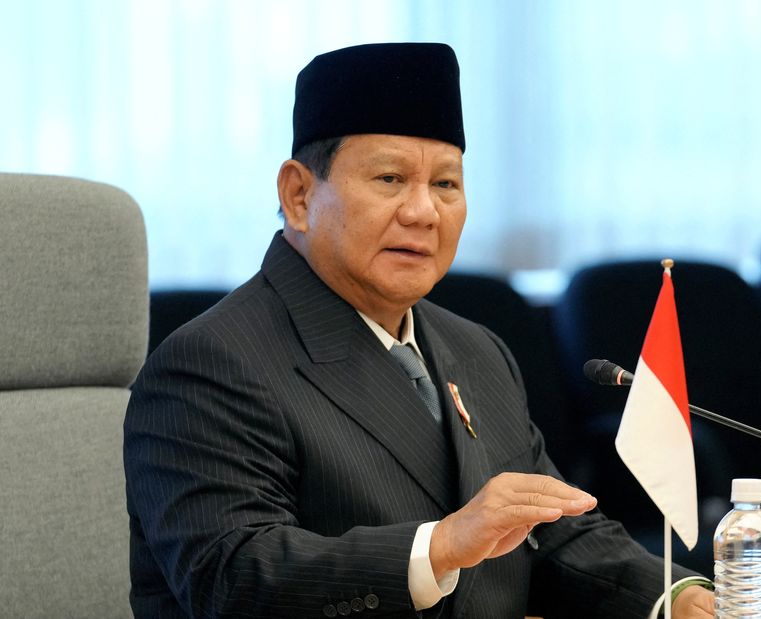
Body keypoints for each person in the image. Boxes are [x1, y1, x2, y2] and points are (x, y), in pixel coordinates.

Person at [124, 42, 719, 618]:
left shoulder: (476, 348)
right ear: (299, 196)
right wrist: (440, 546)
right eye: (389, 180)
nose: (423, 211)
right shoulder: (211, 361)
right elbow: (231, 576)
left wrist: (677, 599)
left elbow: (550, 532)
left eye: (446, 184)